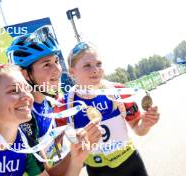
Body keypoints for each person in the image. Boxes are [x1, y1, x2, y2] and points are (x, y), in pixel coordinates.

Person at [6, 26, 102, 173]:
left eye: (56, 61)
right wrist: (77, 153)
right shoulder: (22, 119)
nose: (58, 69)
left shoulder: (48, 102)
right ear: (25, 75)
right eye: (46, 64)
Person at [65, 41, 160, 176]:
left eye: (98, 64)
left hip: (131, 164)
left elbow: (138, 130)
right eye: (87, 65)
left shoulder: (119, 91)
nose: (95, 70)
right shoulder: (64, 105)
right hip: (97, 170)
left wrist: (146, 124)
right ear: (72, 72)